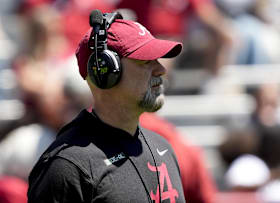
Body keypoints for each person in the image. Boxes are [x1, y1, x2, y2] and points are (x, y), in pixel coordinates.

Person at [27, 11, 185, 203]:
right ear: (105, 72)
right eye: (145, 61)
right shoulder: (67, 167)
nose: (161, 69)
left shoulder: (163, 148)